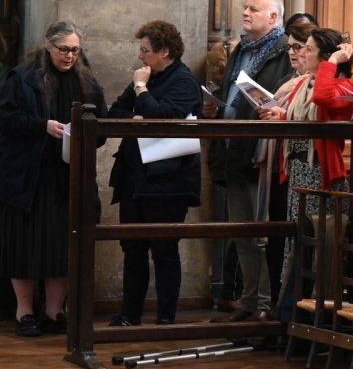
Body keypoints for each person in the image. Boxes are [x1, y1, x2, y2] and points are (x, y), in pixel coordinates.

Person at [0, 22, 106, 337]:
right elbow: (6, 120)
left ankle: (54, 309)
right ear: (48, 47)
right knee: (26, 245)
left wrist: (87, 136)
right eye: (64, 50)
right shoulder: (22, 78)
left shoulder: (86, 81)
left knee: (63, 244)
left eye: (75, 50)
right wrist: (42, 126)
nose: (70, 56)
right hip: (28, 177)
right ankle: (25, 311)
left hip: (69, 177)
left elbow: (100, 120)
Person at [108, 21, 203, 327]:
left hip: (168, 180)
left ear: (165, 51)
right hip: (136, 177)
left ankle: (165, 317)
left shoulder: (183, 82)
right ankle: (130, 315)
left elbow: (163, 118)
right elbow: (114, 112)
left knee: (164, 249)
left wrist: (141, 90)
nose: (140, 57)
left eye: (146, 50)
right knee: (132, 247)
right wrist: (137, 112)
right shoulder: (147, 75)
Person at [207, 0, 294, 322]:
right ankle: (248, 300)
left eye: (253, 9)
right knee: (241, 232)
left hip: (259, 152)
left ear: (272, 17)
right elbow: (231, 91)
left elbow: (281, 98)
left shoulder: (283, 52)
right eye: (244, 7)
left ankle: (264, 303)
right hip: (232, 148)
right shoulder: (240, 49)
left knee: (259, 234)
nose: (245, 12)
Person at [260, 29, 353, 310]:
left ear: (327, 57)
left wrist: (334, 61)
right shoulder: (304, 83)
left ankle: (309, 312)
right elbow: (299, 116)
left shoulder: (344, 86)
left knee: (314, 244)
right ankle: (290, 311)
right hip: (298, 171)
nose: (301, 53)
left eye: (309, 49)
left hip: (320, 176)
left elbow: (325, 99)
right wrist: (279, 115)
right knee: (296, 242)